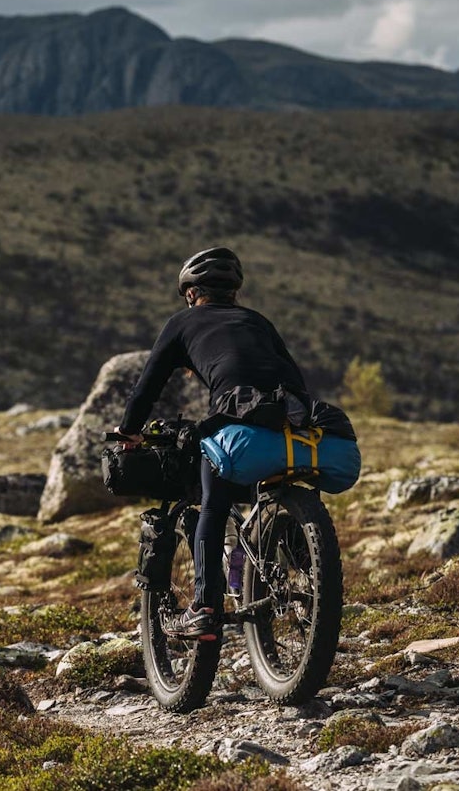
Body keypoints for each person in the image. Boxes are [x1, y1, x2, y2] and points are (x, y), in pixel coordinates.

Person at [114, 247, 310, 640]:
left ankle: (204, 606)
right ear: (234, 293)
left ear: (191, 294)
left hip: (235, 417)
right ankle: (313, 576)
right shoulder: (258, 321)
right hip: (290, 417)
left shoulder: (182, 323)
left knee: (213, 503)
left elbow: (147, 385)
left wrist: (130, 432)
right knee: (266, 493)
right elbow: (294, 376)